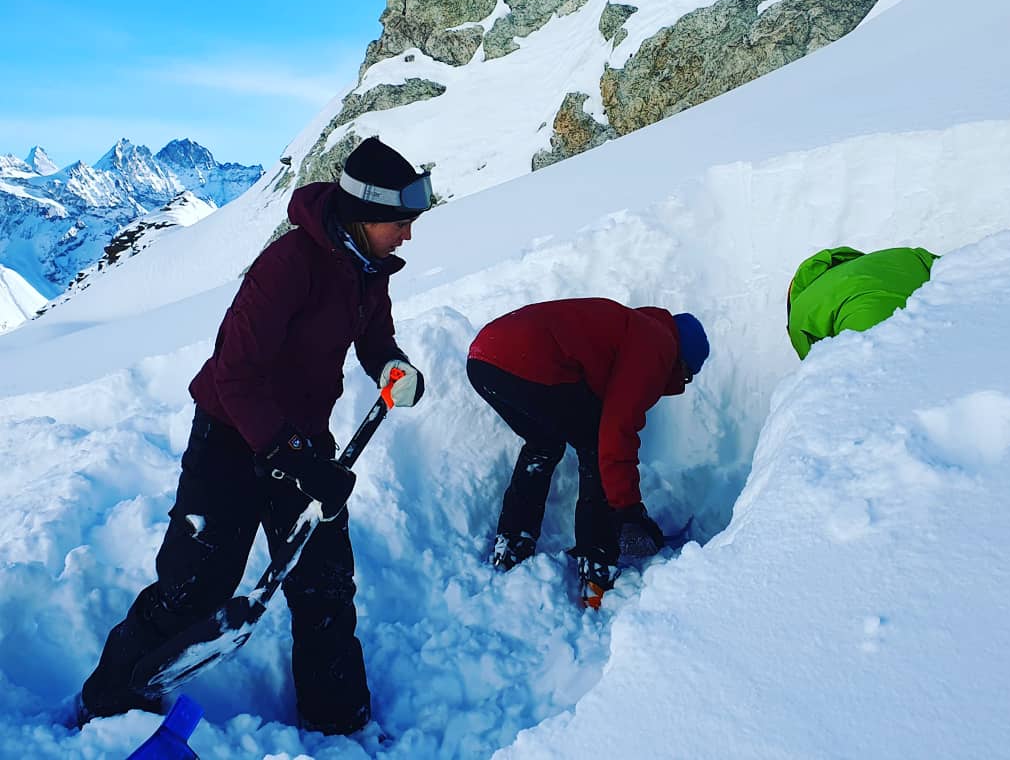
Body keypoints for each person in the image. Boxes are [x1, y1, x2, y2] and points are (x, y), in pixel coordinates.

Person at [77, 137, 433, 736]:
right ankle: (108, 706)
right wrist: (296, 458)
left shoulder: (370, 272)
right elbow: (233, 375)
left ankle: (338, 721)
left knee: (324, 584)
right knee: (195, 586)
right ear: (363, 215)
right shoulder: (289, 265)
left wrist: (391, 367)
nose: (408, 236)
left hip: (302, 438)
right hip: (230, 438)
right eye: (399, 223)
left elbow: (374, 340)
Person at [465, 298, 710, 605]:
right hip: (527, 360)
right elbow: (616, 431)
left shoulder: (634, 329)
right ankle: (597, 563)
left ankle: (513, 542)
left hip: (484, 358)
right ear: (682, 361)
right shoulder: (657, 345)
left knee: (543, 444)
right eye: (686, 376)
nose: (681, 385)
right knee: (596, 444)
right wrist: (627, 509)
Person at [786, 245, 939, 359]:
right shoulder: (890, 256)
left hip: (872, 326)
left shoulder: (800, 311)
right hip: (938, 299)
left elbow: (814, 365)